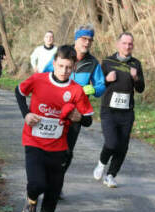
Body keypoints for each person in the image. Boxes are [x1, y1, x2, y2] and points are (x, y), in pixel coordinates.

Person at [15, 45, 93, 212]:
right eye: (60, 66)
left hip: (59, 146)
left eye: (68, 67)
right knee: (37, 184)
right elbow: (19, 92)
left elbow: (88, 119)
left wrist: (79, 118)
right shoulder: (38, 79)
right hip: (33, 141)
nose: (64, 71)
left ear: (73, 67)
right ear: (54, 63)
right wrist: (26, 113)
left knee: (53, 190)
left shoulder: (76, 90)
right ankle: (31, 202)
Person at [43, 24, 105, 197]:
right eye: (84, 39)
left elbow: (101, 86)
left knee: (67, 152)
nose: (87, 43)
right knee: (50, 148)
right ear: (76, 39)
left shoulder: (92, 63)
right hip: (54, 110)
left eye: (90, 40)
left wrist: (89, 90)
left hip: (75, 114)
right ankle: (46, 178)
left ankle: (57, 184)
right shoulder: (63, 54)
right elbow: (45, 73)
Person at [93, 32, 145, 188]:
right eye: (124, 43)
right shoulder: (107, 62)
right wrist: (106, 80)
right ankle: (102, 163)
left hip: (127, 112)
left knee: (123, 146)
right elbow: (98, 86)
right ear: (118, 44)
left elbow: (141, 88)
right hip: (109, 110)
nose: (127, 46)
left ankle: (110, 175)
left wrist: (136, 78)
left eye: (130, 44)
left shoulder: (136, 64)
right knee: (111, 143)